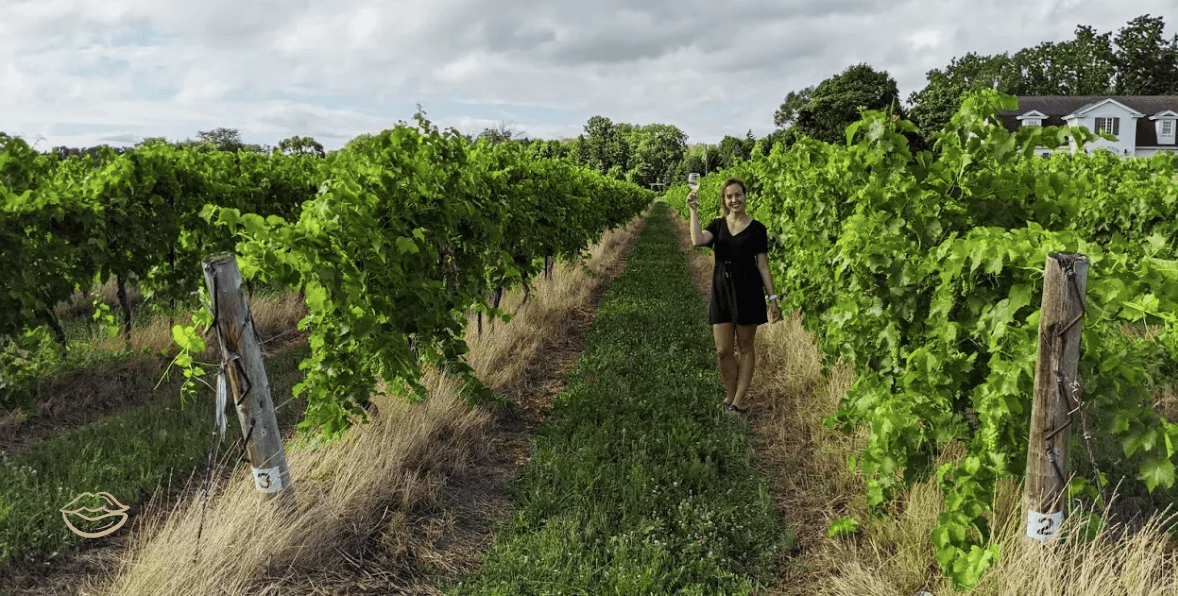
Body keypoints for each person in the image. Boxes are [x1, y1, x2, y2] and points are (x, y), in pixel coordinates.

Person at [687, 177, 781, 413]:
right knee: (723, 350)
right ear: (724, 199)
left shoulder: (758, 228)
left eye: (738, 194)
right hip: (721, 291)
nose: (734, 199)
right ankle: (730, 394)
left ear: (745, 196)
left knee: (746, 346)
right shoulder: (717, 226)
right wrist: (693, 211)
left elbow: (762, 266)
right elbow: (697, 240)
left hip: (748, 291)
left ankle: (739, 401)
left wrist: (772, 298)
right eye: (729, 196)